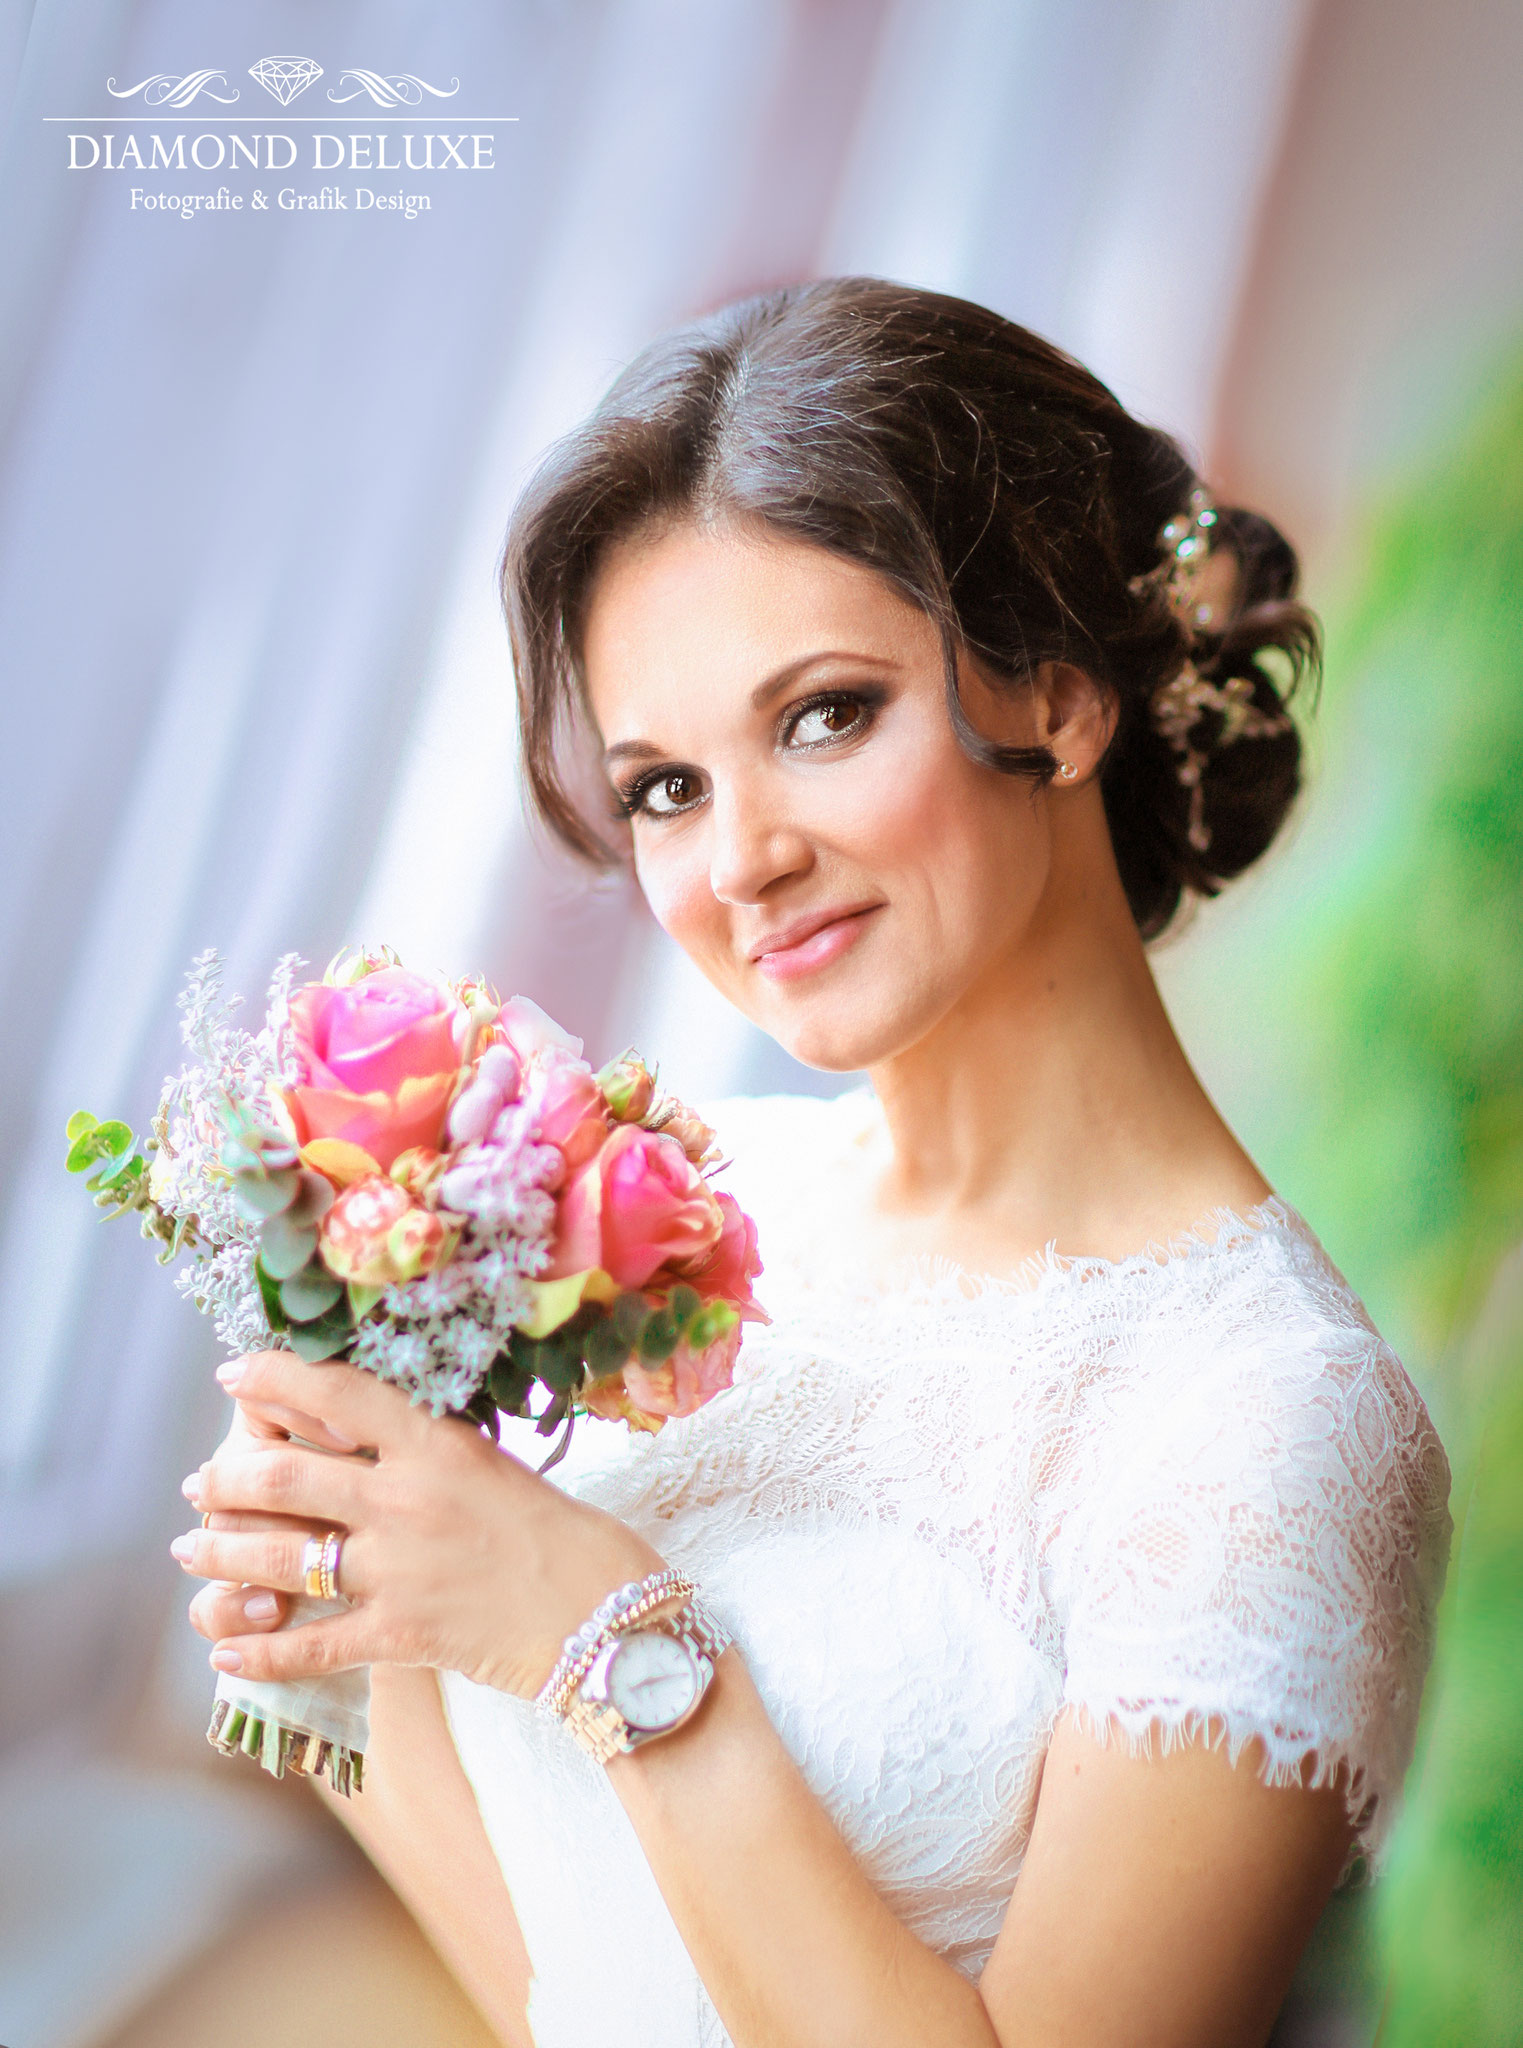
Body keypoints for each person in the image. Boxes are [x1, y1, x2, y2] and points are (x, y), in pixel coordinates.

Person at [175, 279, 1452, 2048]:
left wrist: (598, 1629)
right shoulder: (688, 1207)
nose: (742, 861)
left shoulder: (1272, 1424)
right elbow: (576, 1996)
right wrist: (334, 1607)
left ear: (1065, 699)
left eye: (826, 715)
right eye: (666, 789)